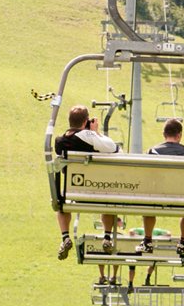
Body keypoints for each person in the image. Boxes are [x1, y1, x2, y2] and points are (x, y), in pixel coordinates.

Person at [54, 105, 120, 260]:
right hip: (97, 190)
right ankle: (107, 236)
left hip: (73, 191)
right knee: (109, 202)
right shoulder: (88, 136)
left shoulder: (60, 141)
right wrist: (96, 132)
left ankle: (65, 236)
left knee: (61, 204)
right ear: (85, 121)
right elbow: (114, 148)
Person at [137, 119, 184, 256]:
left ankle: (147, 239)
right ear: (179, 135)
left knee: (148, 204)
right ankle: (183, 241)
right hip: (182, 196)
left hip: (157, 195)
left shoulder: (152, 151)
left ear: (164, 134)